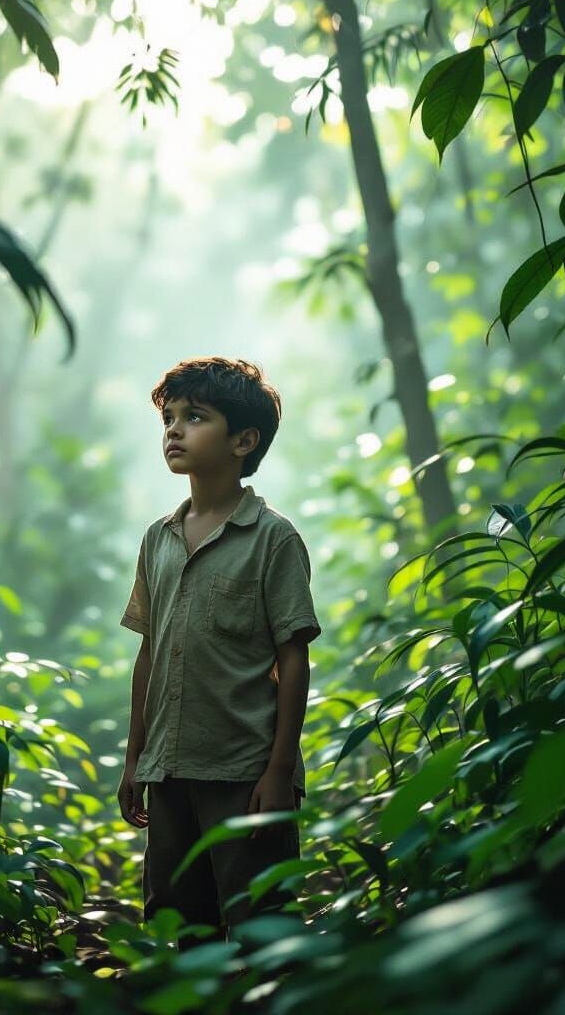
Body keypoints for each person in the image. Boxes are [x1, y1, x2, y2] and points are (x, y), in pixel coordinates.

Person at [117, 356, 322, 953]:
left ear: (243, 441)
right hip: (169, 768)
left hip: (244, 771)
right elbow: (149, 654)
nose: (174, 430)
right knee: (181, 921)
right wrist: (135, 759)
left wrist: (278, 771)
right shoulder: (158, 539)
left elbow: (293, 660)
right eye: (169, 418)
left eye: (195, 417)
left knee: (261, 923)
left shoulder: (273, 538)